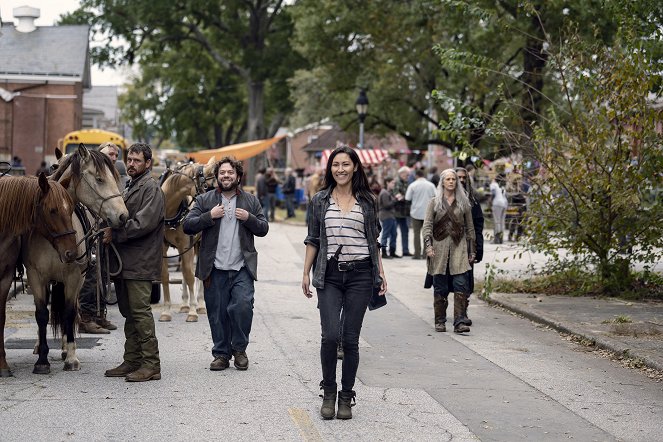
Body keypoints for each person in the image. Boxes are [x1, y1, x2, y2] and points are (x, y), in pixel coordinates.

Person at [302, 145, 387, 420]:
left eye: (345, 164)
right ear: (330, 169)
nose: (340, 169)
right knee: (329, 337)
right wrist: (306, 273)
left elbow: (374, 241)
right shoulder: (319, 200)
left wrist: (381, 273)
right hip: (329, 274)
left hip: (361, 275)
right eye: (336, 165)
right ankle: (328, 391)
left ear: (355, 168)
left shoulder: (368, 201)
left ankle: (346, 396)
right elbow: (313, 238)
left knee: (350, 339)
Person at [183, 156, 269, 372]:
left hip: (242, 268)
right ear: (217, 176)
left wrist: (249, 218)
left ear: (238, 176)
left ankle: (239, 350)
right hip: (215, 268)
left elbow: (263, 228)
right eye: (222, 173)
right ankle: (221, 354)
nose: (226, 176)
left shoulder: (250, 201)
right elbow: (187, 226)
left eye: (230, 173)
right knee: (217, 313)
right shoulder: (205, 200)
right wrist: (208, 216)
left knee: (242, 307)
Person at [103, 142, 164, 382]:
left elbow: (143, 223)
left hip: (141, 261)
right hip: (127, 261)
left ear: (148, 163)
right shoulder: (131, 186)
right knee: (129, 313)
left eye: (137, 161)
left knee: (140, 313)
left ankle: (151, 364)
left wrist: (114, 234)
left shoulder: (151, 188)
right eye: (129, 160)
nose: (131, 164)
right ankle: (132, 360)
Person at [78, 143, 124, 334]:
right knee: (91, 274)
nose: (112, 157)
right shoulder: (91, 174)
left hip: (105, 230)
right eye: (109, 153)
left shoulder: (115, 176)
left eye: (115, 154)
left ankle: (99, 314)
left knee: (103, 274)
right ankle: (86, 317)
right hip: (90, 230)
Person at [422, 168, 475, 333]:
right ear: (442, 182)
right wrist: (428, 246)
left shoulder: (464, 201)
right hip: (439, 247)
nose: (451, 181)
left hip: (459, 247)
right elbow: (427, 225)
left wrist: (472, 250)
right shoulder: (434, 201)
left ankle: (459, 322)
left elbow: (470, 227)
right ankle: (440, 320)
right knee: (440, 286)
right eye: (448, 179)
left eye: (454, 179)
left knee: (461, 283)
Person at [455, 166, 484, 327]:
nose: (461, 180)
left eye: (464, 178)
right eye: (457, 177)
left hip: (467, 246)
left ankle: (462, 313)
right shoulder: (443, 199)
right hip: (448, 245)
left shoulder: (472, 200)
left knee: (465, 280)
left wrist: (478, 247)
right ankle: (442, 314)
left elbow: (478, 225)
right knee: (445, 282)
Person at [405, 168, 437, 260]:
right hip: (428, 213)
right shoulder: (431, 185)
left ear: (416, 176)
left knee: (416, 234)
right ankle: (425, 253)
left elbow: (407, 198)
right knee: (427, 234)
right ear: (424, 175)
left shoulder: (413, 185)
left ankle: (417, 254)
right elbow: (437, 196)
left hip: (416, 212)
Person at [392, 166, 411, 257]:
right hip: (396, 211)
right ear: (401, 174)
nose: (408, 176)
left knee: (405, 232)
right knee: (394, 233)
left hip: (404, 212)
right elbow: (396, 195)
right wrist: (406, 198)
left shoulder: (406, 182)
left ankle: (405, 250)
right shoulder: (396, 182)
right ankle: (393, 251)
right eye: (407, 175)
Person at [378, 177, 399, 259]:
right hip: (386, 215)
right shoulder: (384, 193)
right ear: (387, 182)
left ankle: (392, 252)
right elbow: (386, 205)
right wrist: (395, 200)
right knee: (385, 234)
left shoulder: (388, 192)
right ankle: (384, 253)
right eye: (392, 183)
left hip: (391, 215)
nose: (394, 184)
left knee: (394, 234)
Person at [490, 173, 508, 244]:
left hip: (497, 203)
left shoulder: (494, 185)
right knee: (502, 221)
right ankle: (501, 239)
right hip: (504, 204)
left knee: (497, 221)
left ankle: (496, 239)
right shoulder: (502, 187)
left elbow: (493, 194)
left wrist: (490, 202)